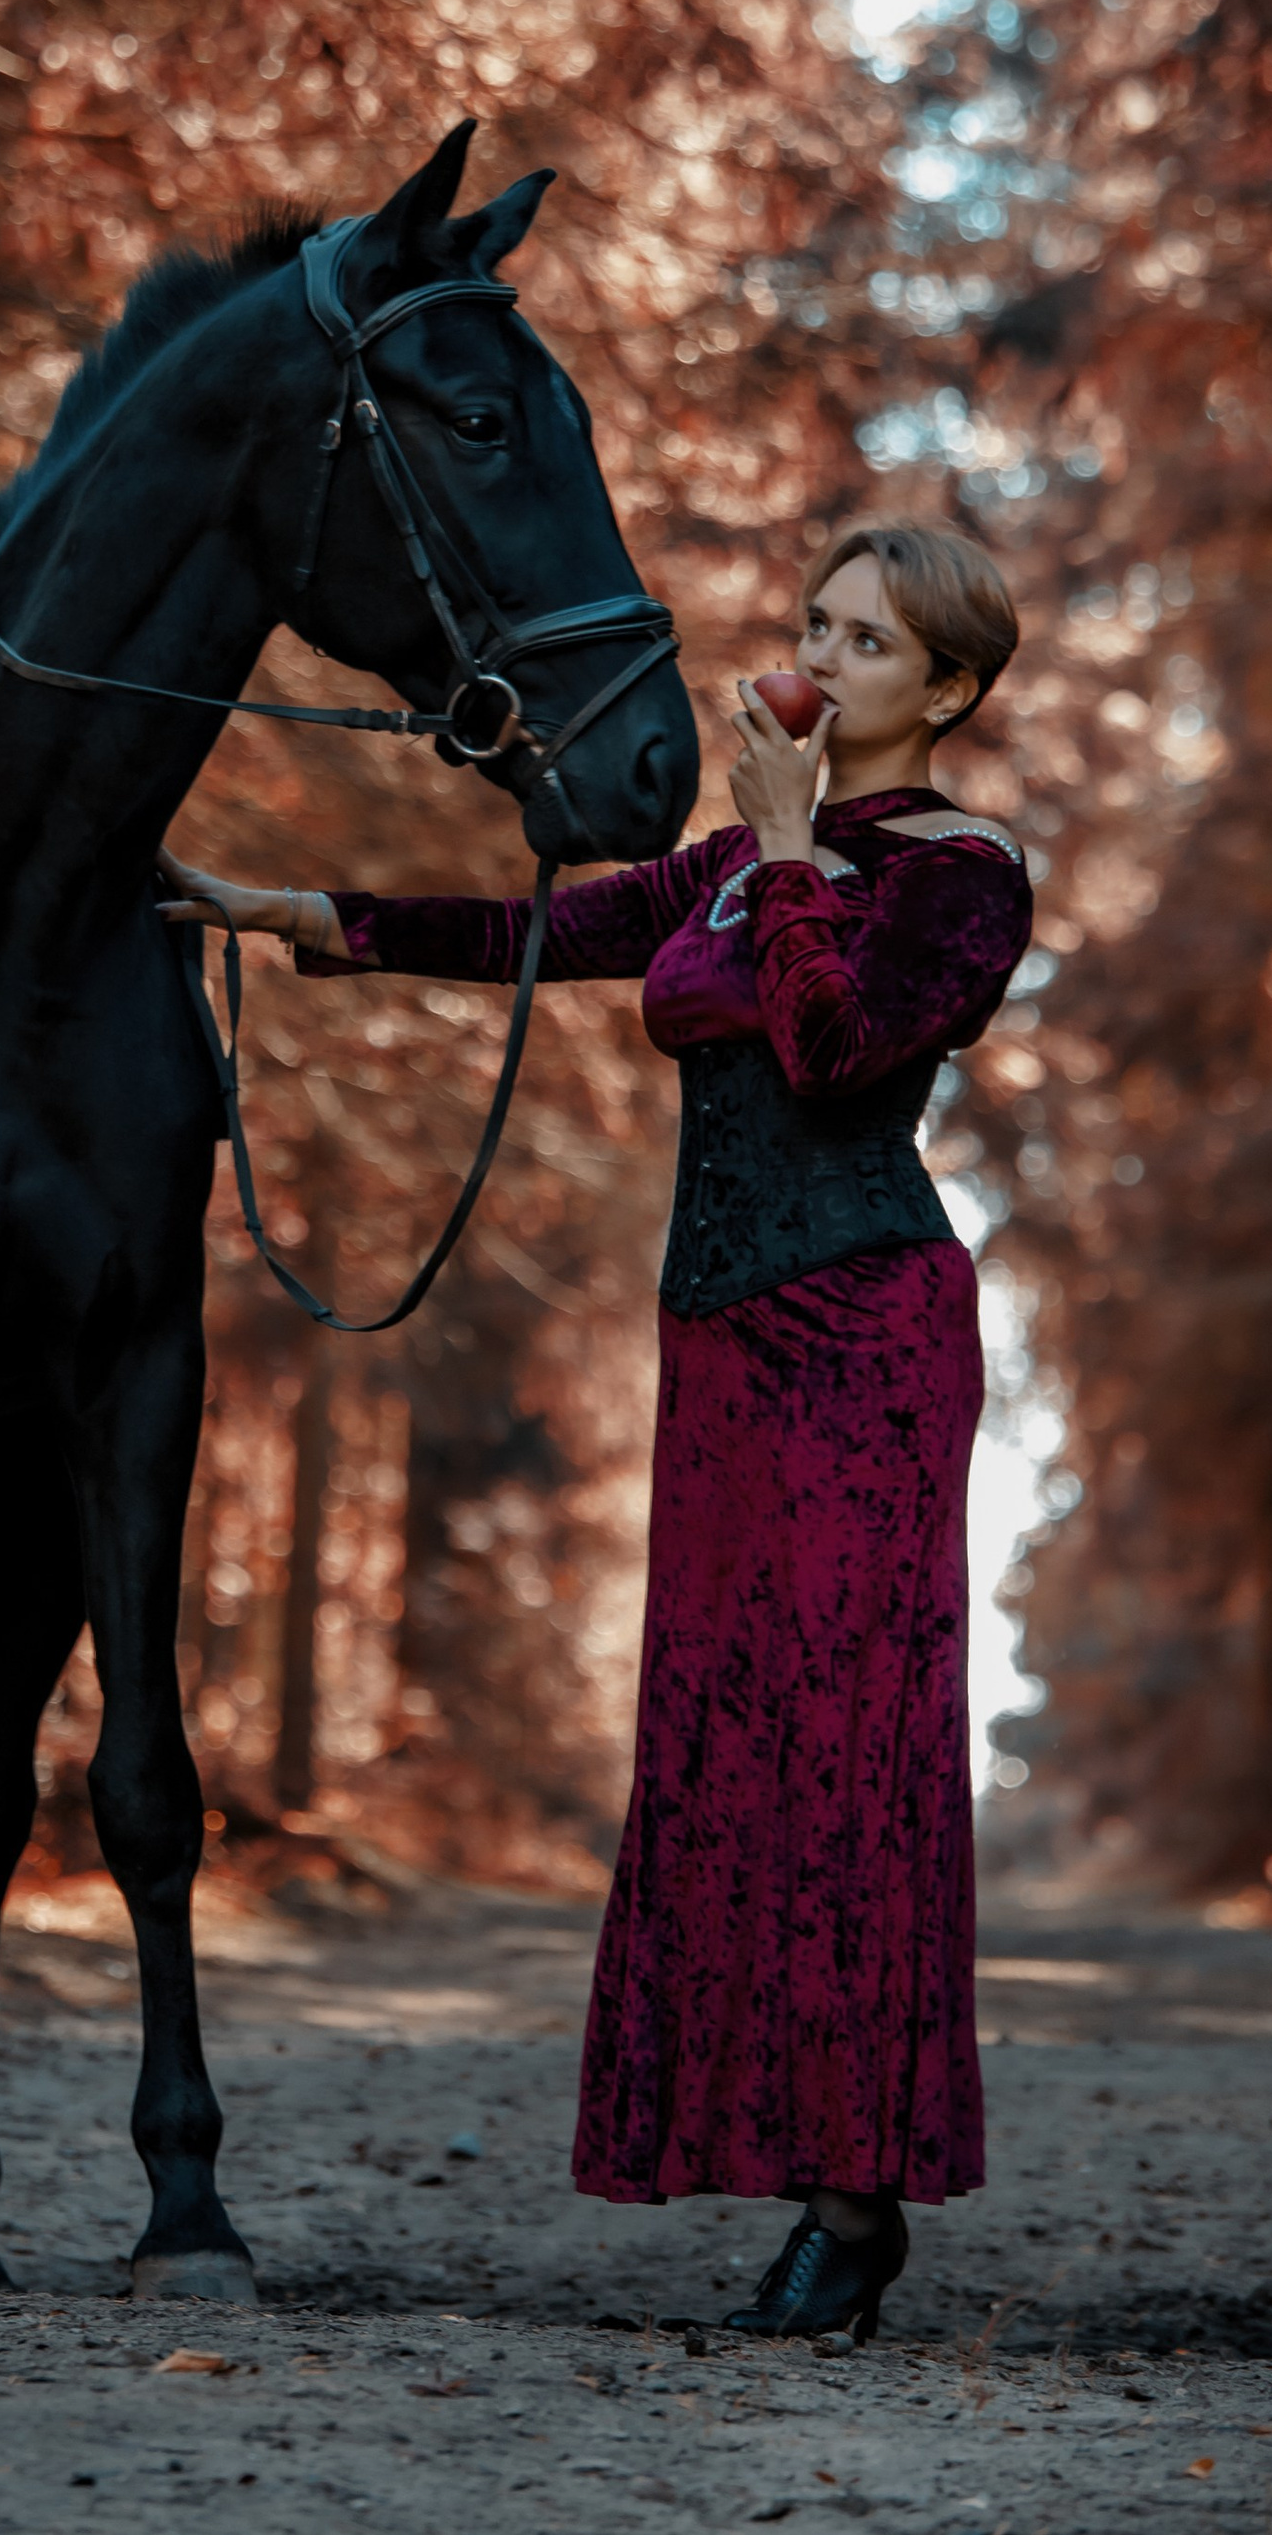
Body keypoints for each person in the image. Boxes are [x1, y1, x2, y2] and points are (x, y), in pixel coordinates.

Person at [158, 524, 1029, 2342]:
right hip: (716, 1343)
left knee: (844, 1748)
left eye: (866, 643)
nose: (817, 656)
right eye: (813, 625)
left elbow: (838, 1051)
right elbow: (536, 930)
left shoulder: (964, 874)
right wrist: (295, 919)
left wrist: (791, 845)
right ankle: (771, 2156)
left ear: (943, 692)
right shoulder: (720, 868)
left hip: (864, 1336)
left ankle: (853, 2203)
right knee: (724, 1744)